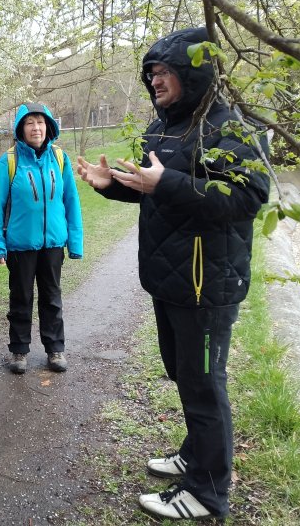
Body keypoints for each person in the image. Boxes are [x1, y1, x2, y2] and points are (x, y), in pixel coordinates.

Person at [76, 26, 269, 520]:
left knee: (205, 383)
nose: (156, 82)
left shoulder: (232, 127)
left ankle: (207, 492)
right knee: (184, 376)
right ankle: (195, 452)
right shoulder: (163, 127)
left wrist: (171, 181)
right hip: (169, 278)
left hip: (208, 284)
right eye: (152, 74)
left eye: (164, 73)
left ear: (192, 73)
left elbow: (248, 198)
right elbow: (151, 186)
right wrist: (109, 185)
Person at [0, 103, 83, 374]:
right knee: (21, 298)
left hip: (53, 243)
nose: (36, 127)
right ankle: (18, 351)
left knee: (52, 297)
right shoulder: (8, 161)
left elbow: (71, 202)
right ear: (20, 128)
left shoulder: (59, 158)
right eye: (30, 123)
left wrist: (74, 242)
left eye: (40, 122)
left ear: (49, 126)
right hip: (20, 244)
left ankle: (55, 349)